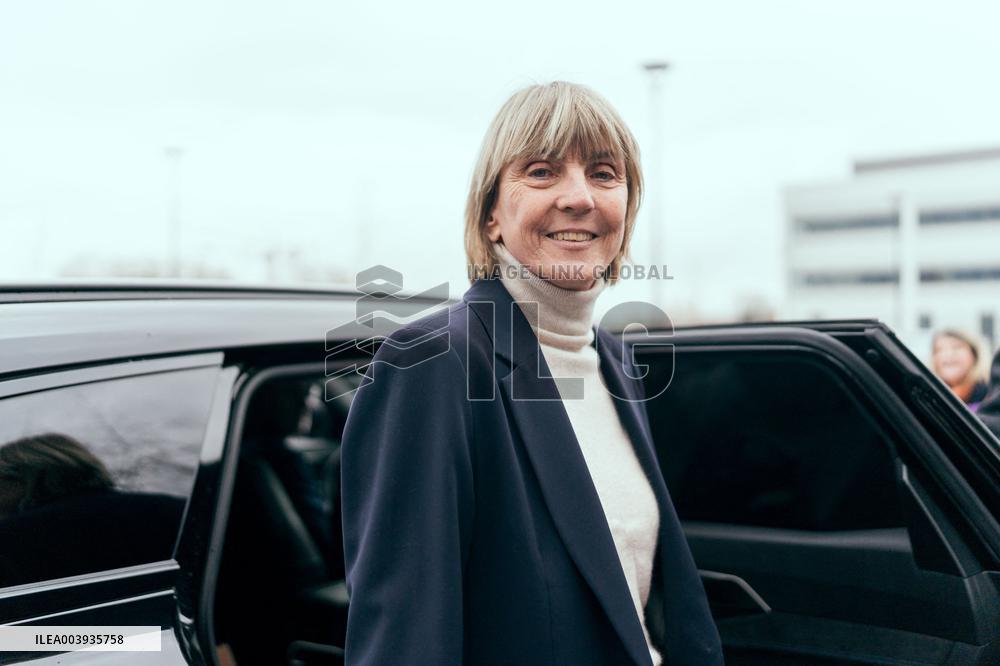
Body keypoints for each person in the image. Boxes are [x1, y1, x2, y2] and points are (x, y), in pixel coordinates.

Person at [340, 81, 722, 665]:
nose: (578, 198)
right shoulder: (431, 363)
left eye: (603, 173)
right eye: (542, 172)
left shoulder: (615, 360)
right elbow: (405, 640)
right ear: (491, 215)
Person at [931, 329, 989, 411]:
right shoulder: (929, 397)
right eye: (939, 350)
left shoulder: (990, 396)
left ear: (974, 355)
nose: (948, 354)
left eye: (956, 347)